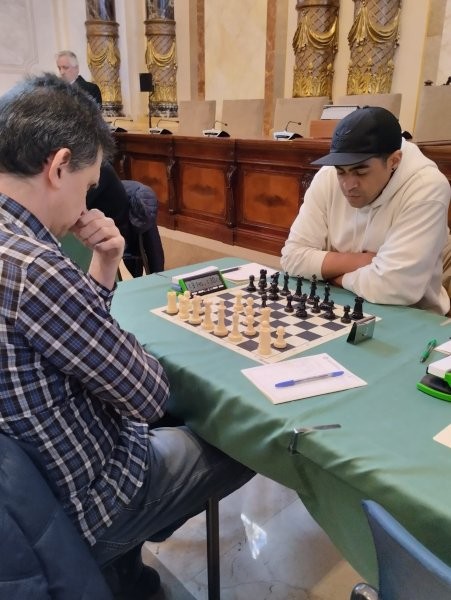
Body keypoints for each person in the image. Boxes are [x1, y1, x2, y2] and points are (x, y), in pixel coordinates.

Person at [0, 73, 253, 599]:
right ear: (58, 166)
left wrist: (105, 262)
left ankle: (128, 575)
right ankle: (126, 544)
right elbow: (147, 394)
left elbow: (65, 339)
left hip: (27, 493)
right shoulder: (34, 267)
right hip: (86, 501)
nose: (85, 206)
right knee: (243, 440)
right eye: (86, 187)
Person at [281, 106, 451, 315]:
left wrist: (334, 276)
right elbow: (292, 257)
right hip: (335, 303)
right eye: (341, 172)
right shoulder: (328, 176)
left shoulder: (427, 187)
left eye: (360, 172)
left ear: (394, 161)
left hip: (411, 314)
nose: (348, 185)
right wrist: (365, 261)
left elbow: (395, 287)